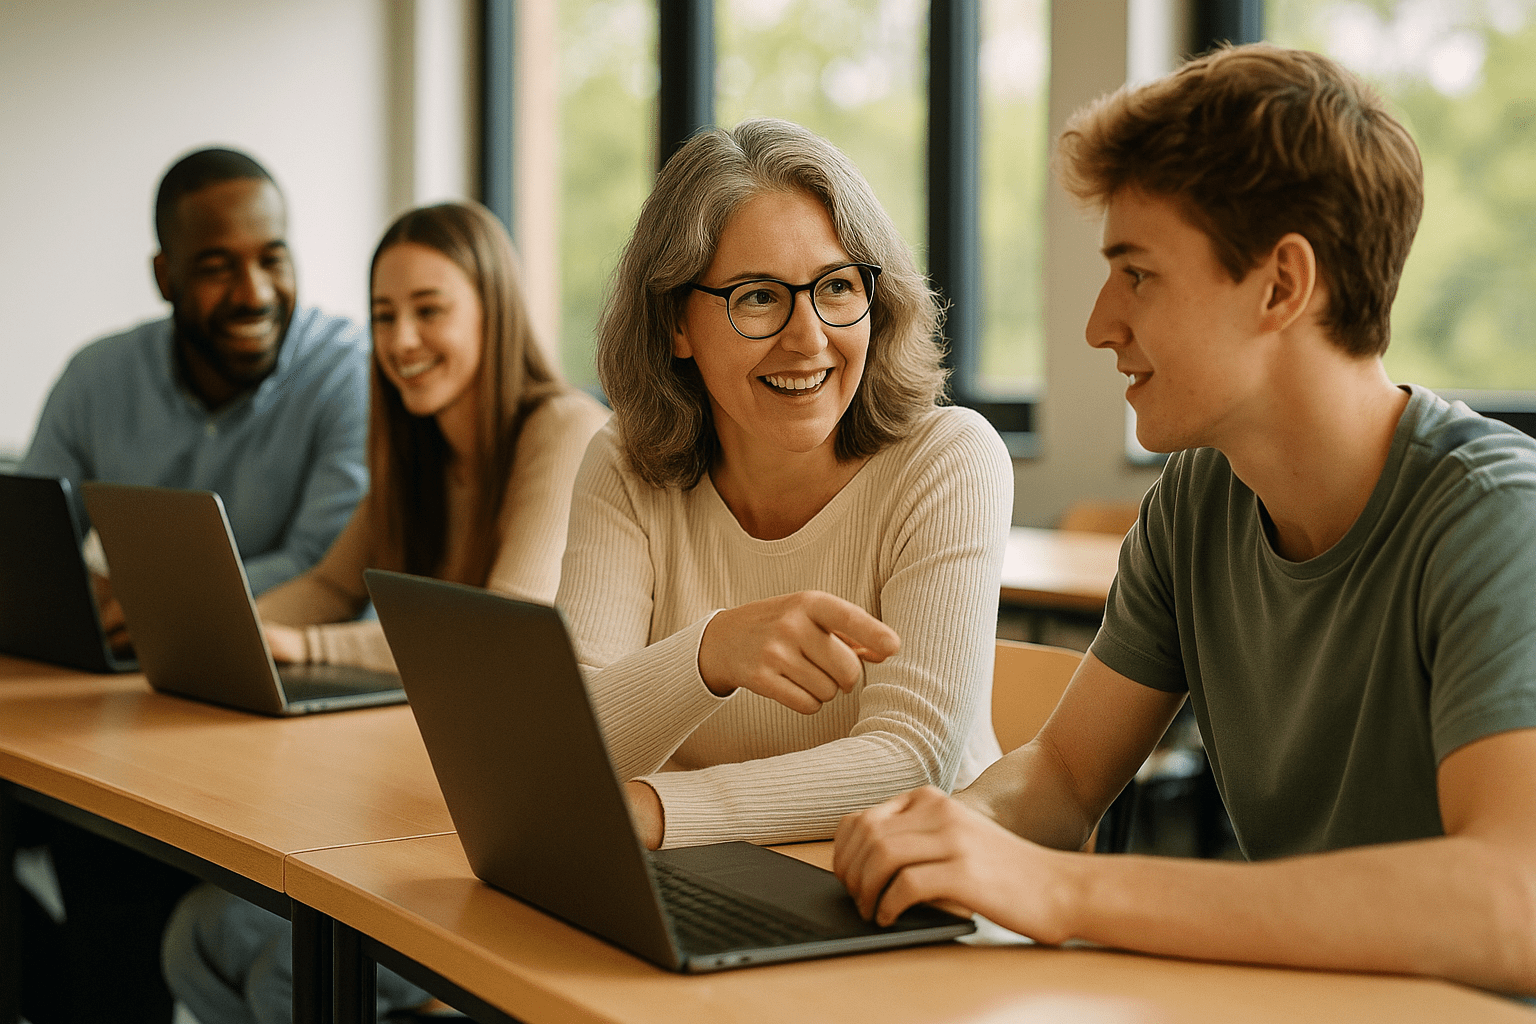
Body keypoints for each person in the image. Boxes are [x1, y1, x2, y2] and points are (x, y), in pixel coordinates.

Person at [834, 43, 1536, 999]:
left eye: (1138, 273)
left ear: (1282, 285)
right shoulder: (1200, 497)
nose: (1098, 323)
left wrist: (1067, 891)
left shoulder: (1497, 521)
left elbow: (1513, 899)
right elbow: (1067, 776)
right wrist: (938, 840)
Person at [160, 200, 609, 1024]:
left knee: (287, 977)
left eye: (429, 311)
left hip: (511, 830)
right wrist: (230, 625)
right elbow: (330, 586)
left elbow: (494, 638)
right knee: (195, 937)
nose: (402, 341)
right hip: (407, 799)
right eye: (384, 316)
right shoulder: (416, 445)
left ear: (493, 310)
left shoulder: (567, 430)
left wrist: (299, 644)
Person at [555, 117, 1012, 853]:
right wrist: (710, 653)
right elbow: (568, 742)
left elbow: (909, 764)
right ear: (676, 323)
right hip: (705, 882)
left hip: (911, 900)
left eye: (835, 286)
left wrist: (654, 812)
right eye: (759, 297)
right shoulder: (623, 461)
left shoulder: (950, 458)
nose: (808, 339)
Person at [14, 147, 370, 1024]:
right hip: (120, 720)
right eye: (216, 266)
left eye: (271, 256)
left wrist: (157, 604)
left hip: (284, 722)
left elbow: (329, 567)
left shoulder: (347, 373)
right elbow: (31, 547)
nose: (252, 291)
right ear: (165, 274)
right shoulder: (99, 376)